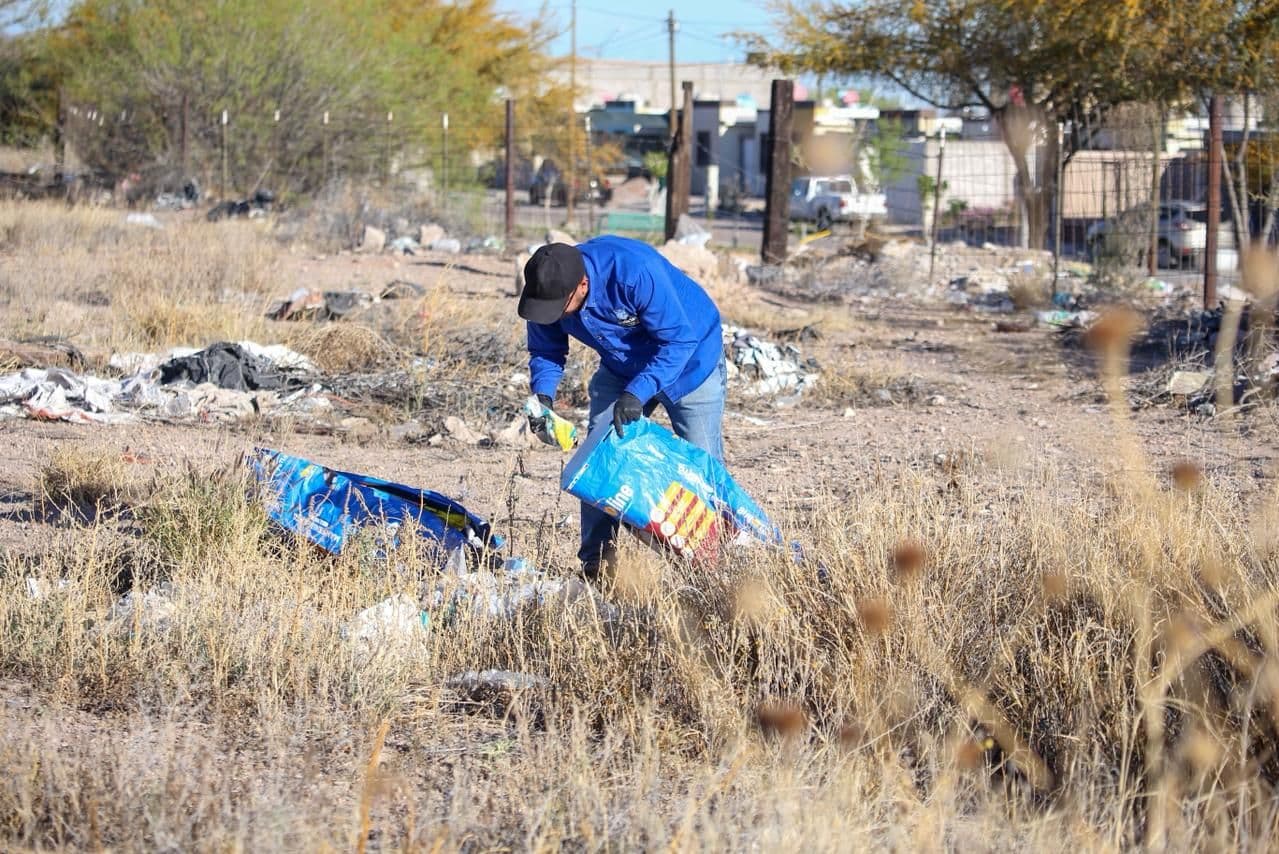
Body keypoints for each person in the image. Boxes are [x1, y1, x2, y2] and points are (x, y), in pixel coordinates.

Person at [519, 236, 725, 579]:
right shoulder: (548, 290)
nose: (550, 314)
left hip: (691, 363)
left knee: (701, 464)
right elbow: (546, 351)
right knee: (599, 458)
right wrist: (543, 397)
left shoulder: (632, 271)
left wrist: (638, 392)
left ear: (582, 285)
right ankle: (598, 564)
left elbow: (679, 340)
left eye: (558, 306)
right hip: (623, 365)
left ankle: (713, 567)